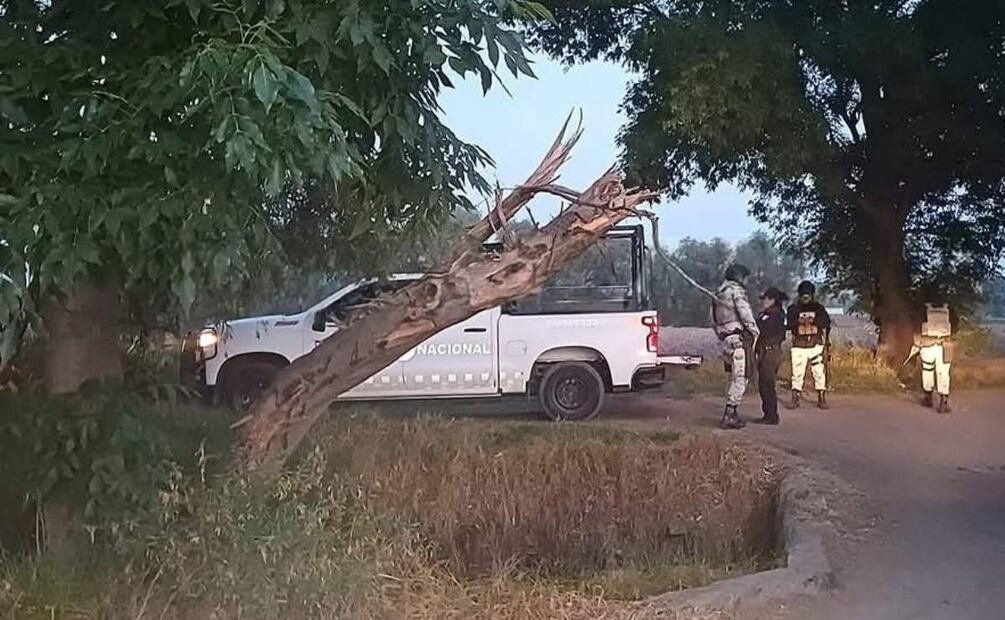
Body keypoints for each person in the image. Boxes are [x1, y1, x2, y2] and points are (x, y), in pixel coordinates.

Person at [712, 263, 760, 429]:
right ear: (739, 277)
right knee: (740, 377)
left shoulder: (718, 293)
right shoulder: (736, 291)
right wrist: (755, 332)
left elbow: (713, 319)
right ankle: (730, 414)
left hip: (725, 339)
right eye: (745, 277)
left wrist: (720, 334)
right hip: (738, 339)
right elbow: (745, 313)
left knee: (731, 376)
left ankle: (731, 412)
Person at [786, 280, 831, 410]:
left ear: (812, 295)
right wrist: (798, 322)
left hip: (815, 344)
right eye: (803, 295)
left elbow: (826, 323)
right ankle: (795, 398)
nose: (806, 298)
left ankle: (821, 397)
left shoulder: (819, 308)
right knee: (797, 373)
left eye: (808, 295)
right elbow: (788, 325)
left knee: (819, 372)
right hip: (799, 345)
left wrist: (813, 321)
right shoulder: (793, 309)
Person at [910, 303, 954, 413]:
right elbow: (954, 329)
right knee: (943, 373)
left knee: (927, 370)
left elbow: (916, 331)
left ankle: (928, 398)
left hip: (927, 345)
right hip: (945, 345)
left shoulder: (922, 310)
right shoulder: (949, 310)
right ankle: (943, 403)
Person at [753, 287, 788, 425]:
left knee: (767, 383)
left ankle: (771, 415)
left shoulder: (777, 315)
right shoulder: (766, 314)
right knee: (763, 384)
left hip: (771, 351)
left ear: (772, 300)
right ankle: (767, 413)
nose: (763, 302)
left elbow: (766, 330)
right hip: (764, 351)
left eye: (765, 299)